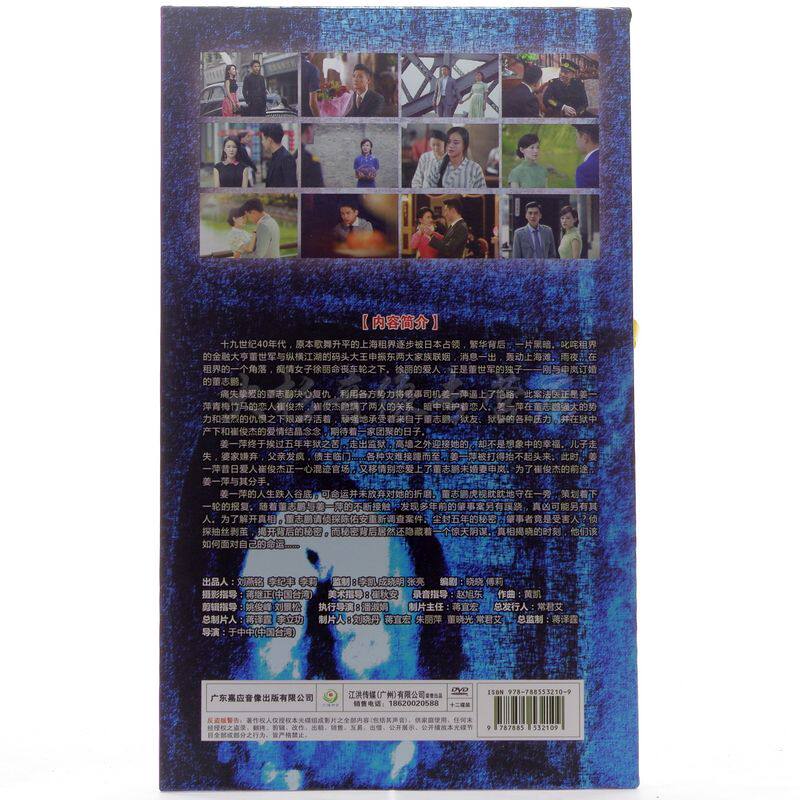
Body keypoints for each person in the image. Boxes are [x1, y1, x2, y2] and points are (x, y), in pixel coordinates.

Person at [260, 123, 297, 188]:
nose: (262, 142)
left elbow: (290, 186)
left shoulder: (286, 158)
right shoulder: (274, 156)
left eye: (262, 139)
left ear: (269, 140)